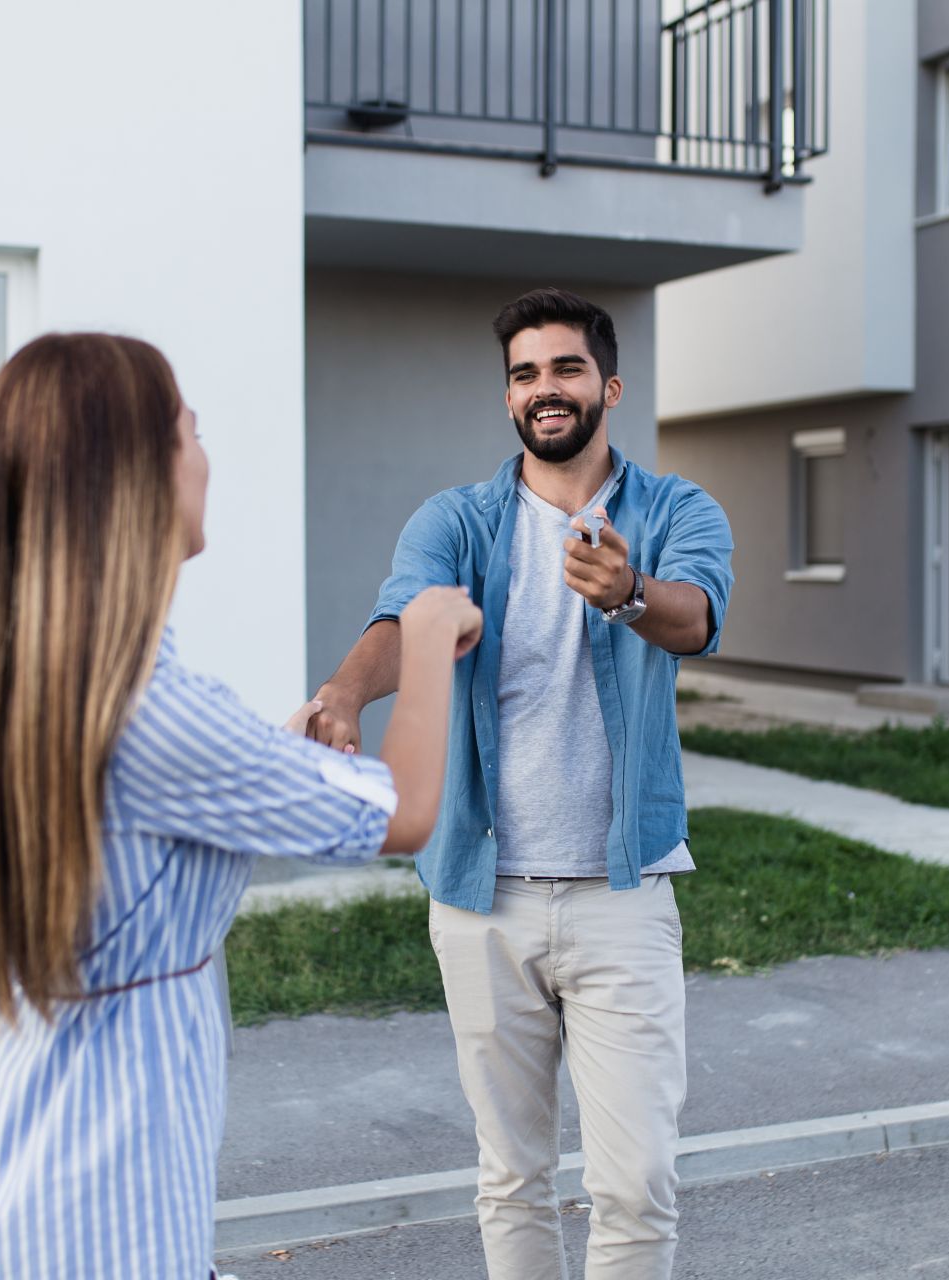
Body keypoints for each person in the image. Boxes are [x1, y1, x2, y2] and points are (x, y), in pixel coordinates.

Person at [0, 332, 481, 1278]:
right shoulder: (151, 705)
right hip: (95, 1227)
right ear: (133, 470)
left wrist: (284, 746)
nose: (205, 456)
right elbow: (407, 813)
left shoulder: (61, 677)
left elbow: (182, 790)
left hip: (36, 1204)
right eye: (191, 430)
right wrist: (425, 634)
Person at [308, 288, 734, 1279]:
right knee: (512, 1175)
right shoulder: (457, 521)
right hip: (482, 896)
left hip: (620, 894)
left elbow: (697, 616)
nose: (546, 388)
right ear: (510, 398)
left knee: (634, 1182)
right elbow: (403, 619)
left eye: (566, 368)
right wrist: (342, 692)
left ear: (609, 386)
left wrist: (629, 590)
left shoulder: (675, 510)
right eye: (526, 373)